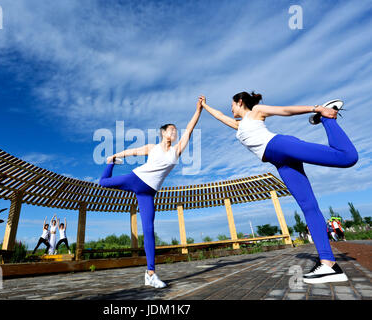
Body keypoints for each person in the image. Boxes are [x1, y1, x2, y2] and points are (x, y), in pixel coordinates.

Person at [200, 92, 358, 284]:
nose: (230, 109)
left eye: (232, 105)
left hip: (281, 146)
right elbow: (220, 116)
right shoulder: (239, 125)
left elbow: (284, 110)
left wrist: (317, 109)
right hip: (280, 163)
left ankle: (327, 117)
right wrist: (204, 106)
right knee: (308, 207)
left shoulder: (256, 111)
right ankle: (329, 264)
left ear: (240, 102)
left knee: (347, 157)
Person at [99, 98, 203, 288]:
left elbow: (190, 129)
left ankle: (150, 273)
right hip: (136, 178)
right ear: (163, 133)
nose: (174, 132)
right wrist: (115, 156)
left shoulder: (176, 150)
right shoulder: (152, 148)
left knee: (148, 230)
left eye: (175, 131)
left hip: (148, 193)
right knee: (103, 182)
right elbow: (132, 152)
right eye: (171, 130)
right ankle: (110, 164)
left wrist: (198, 110)